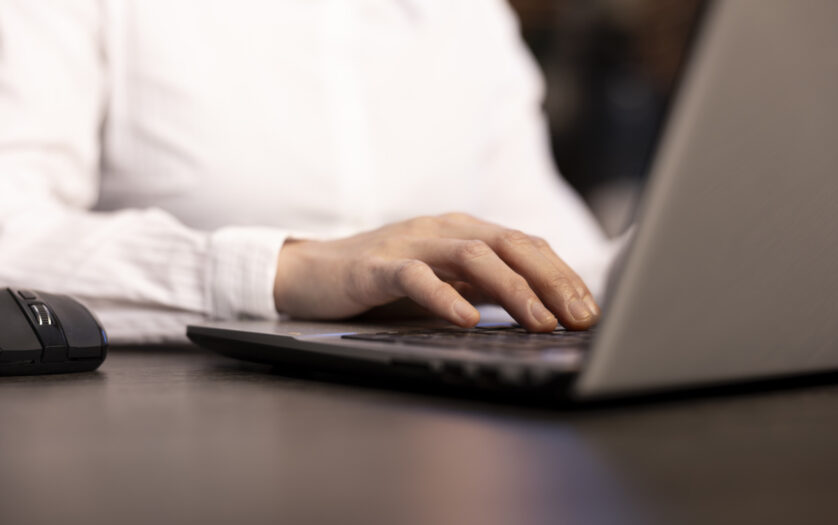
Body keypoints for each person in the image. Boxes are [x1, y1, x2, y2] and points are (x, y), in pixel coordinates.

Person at [0, 0, 616, 344]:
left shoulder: (470, 19)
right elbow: (11, 225)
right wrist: (286, 270)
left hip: (456, 434)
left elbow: (556, 256)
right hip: (165, 440)